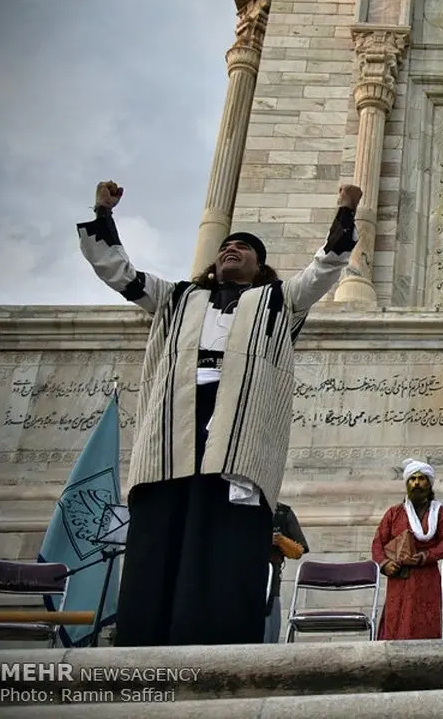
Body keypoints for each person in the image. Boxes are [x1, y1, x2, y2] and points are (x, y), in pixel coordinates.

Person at [78, 179, 361, 646]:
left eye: (244, 248)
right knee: (161, 534)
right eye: (227, 246)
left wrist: (346, 211)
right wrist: (102, 213)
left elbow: (326, 267)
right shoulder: (176, 298)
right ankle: (144, 643)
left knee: (225, 541)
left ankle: (218, 647)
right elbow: (118, 271)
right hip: (174, 430)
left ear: (259, 266)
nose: (232, 249)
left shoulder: (278, 301)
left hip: (238, 434)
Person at [370, 458, 443, 640]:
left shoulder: (440, 513)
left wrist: (426, 556)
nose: (416, 483)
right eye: (412, 479)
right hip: (400, 577)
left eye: (421, 478)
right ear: (407, 483)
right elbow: (378, 543)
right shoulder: (394, 513)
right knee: (398, 624)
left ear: (429, 483)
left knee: (427, 622)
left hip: (427, 576)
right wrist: (385, 564)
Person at [265, 501, 309, 643]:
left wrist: (280, 541)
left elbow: (298, 551)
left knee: (268, 635)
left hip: (270, 581)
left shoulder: (282, 512)